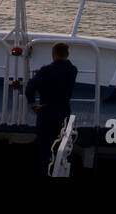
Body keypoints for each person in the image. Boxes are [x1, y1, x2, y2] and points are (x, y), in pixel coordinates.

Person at [26, 42, 78, 175]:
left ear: (53, 54)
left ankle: (44, 172)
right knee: (62, 148)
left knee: (44, 150)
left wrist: (33, 104)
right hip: (64, 113)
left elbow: (29, 89)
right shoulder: (73, 70)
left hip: (46, 114)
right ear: (67, 54)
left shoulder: (45, 71)